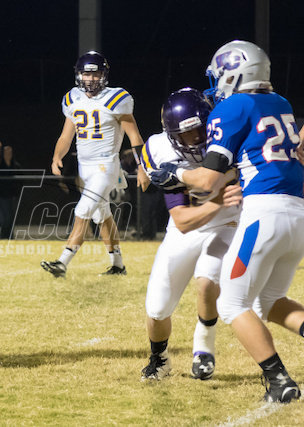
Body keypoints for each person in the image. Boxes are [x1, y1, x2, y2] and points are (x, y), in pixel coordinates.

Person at [151, 41, 304, 403]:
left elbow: (206, 180)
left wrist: (175, 172)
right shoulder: (281, 103)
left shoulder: (232, 107)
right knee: (270, 301)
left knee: (233, 304)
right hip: (298, 212)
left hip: (264, 212)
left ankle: (279, 382)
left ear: (234, 74)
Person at [140, 88, 242, 381]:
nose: (194, 140)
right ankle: (159, 359)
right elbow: (182, 221)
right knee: (157, 309)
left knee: (207, 280)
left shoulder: (229, 137)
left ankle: (203, 347)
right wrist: (217, 200)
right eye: (185, 135)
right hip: (187, 228)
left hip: (228, 223)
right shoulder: (161, 150)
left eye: (198, 131)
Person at [41, 50, 149, 277]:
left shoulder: (117, 98)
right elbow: (66, 136)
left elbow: (135, 136)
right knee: (102, 216)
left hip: (106, 165)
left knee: (83, 209)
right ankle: (118, 265)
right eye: (86, 74)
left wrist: (142, 166)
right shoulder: (73, 98)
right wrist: (57, 156)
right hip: (85, 167)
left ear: (104, 75)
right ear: (78, 75)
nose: (90, 79)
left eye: (95, 74)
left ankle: (62, 262)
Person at [0, 145, 21, 239]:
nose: (8, 154)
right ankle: (3, 236)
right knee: (6, 218)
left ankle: (10, 237)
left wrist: (16, 190)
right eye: (6, 153)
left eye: (10, 153)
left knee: (11, 217)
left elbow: (20, 180)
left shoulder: (16, 166)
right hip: (2, 195)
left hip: (12, 195)